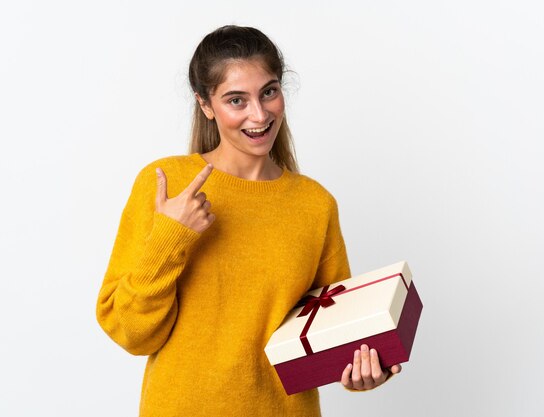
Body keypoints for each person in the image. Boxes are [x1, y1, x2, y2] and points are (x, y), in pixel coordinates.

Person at [96, 25, 401, 416]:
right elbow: (132, 334)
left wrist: (367, 369)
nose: (259, 114)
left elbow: (331, 333)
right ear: (205, 105)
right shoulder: (166, 184)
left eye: (269, 92)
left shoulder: (314, 204)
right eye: (236, 100)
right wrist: (171, 236)